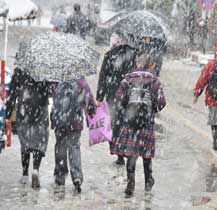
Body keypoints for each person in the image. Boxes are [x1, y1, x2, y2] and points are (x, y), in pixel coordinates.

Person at [111, 55, 166, 196]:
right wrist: (152, 108)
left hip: (131, 123)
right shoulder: (155, 81)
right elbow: (161, 103)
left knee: (132, 153)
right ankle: (148, 179)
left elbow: (118, 98)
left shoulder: (128, 79)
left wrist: (127, 108)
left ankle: (131, 182)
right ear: (150, 65)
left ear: (136, 63)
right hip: (146, 122)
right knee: (146, 154)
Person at [5, 68, 51, 188]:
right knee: (39, 141)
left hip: (24, 110)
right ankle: (35, 169)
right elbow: (49, 91)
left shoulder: (20, 69)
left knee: (25, 142)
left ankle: (25, 174)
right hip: (40, 111)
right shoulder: (44, 68)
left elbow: (12, 93)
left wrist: (8, 113)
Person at [96, 31, 137, 166]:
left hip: (113, 95)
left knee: (114, 124)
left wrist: (99, 97)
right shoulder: (133, 54)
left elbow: (103, 77)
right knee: (128, 123)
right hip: (129, 95)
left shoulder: (110, 55)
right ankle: (127, 149)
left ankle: (118, 153)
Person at [51, 78, 96, 193]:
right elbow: (89, 99)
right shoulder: (80, 81)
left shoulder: (57, 80)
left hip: (59, 121)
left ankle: (60, 176)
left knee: (60, 147)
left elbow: (53, 98)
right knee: (74, 147)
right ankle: (76, 176)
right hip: (75, 122)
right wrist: (91, 110)